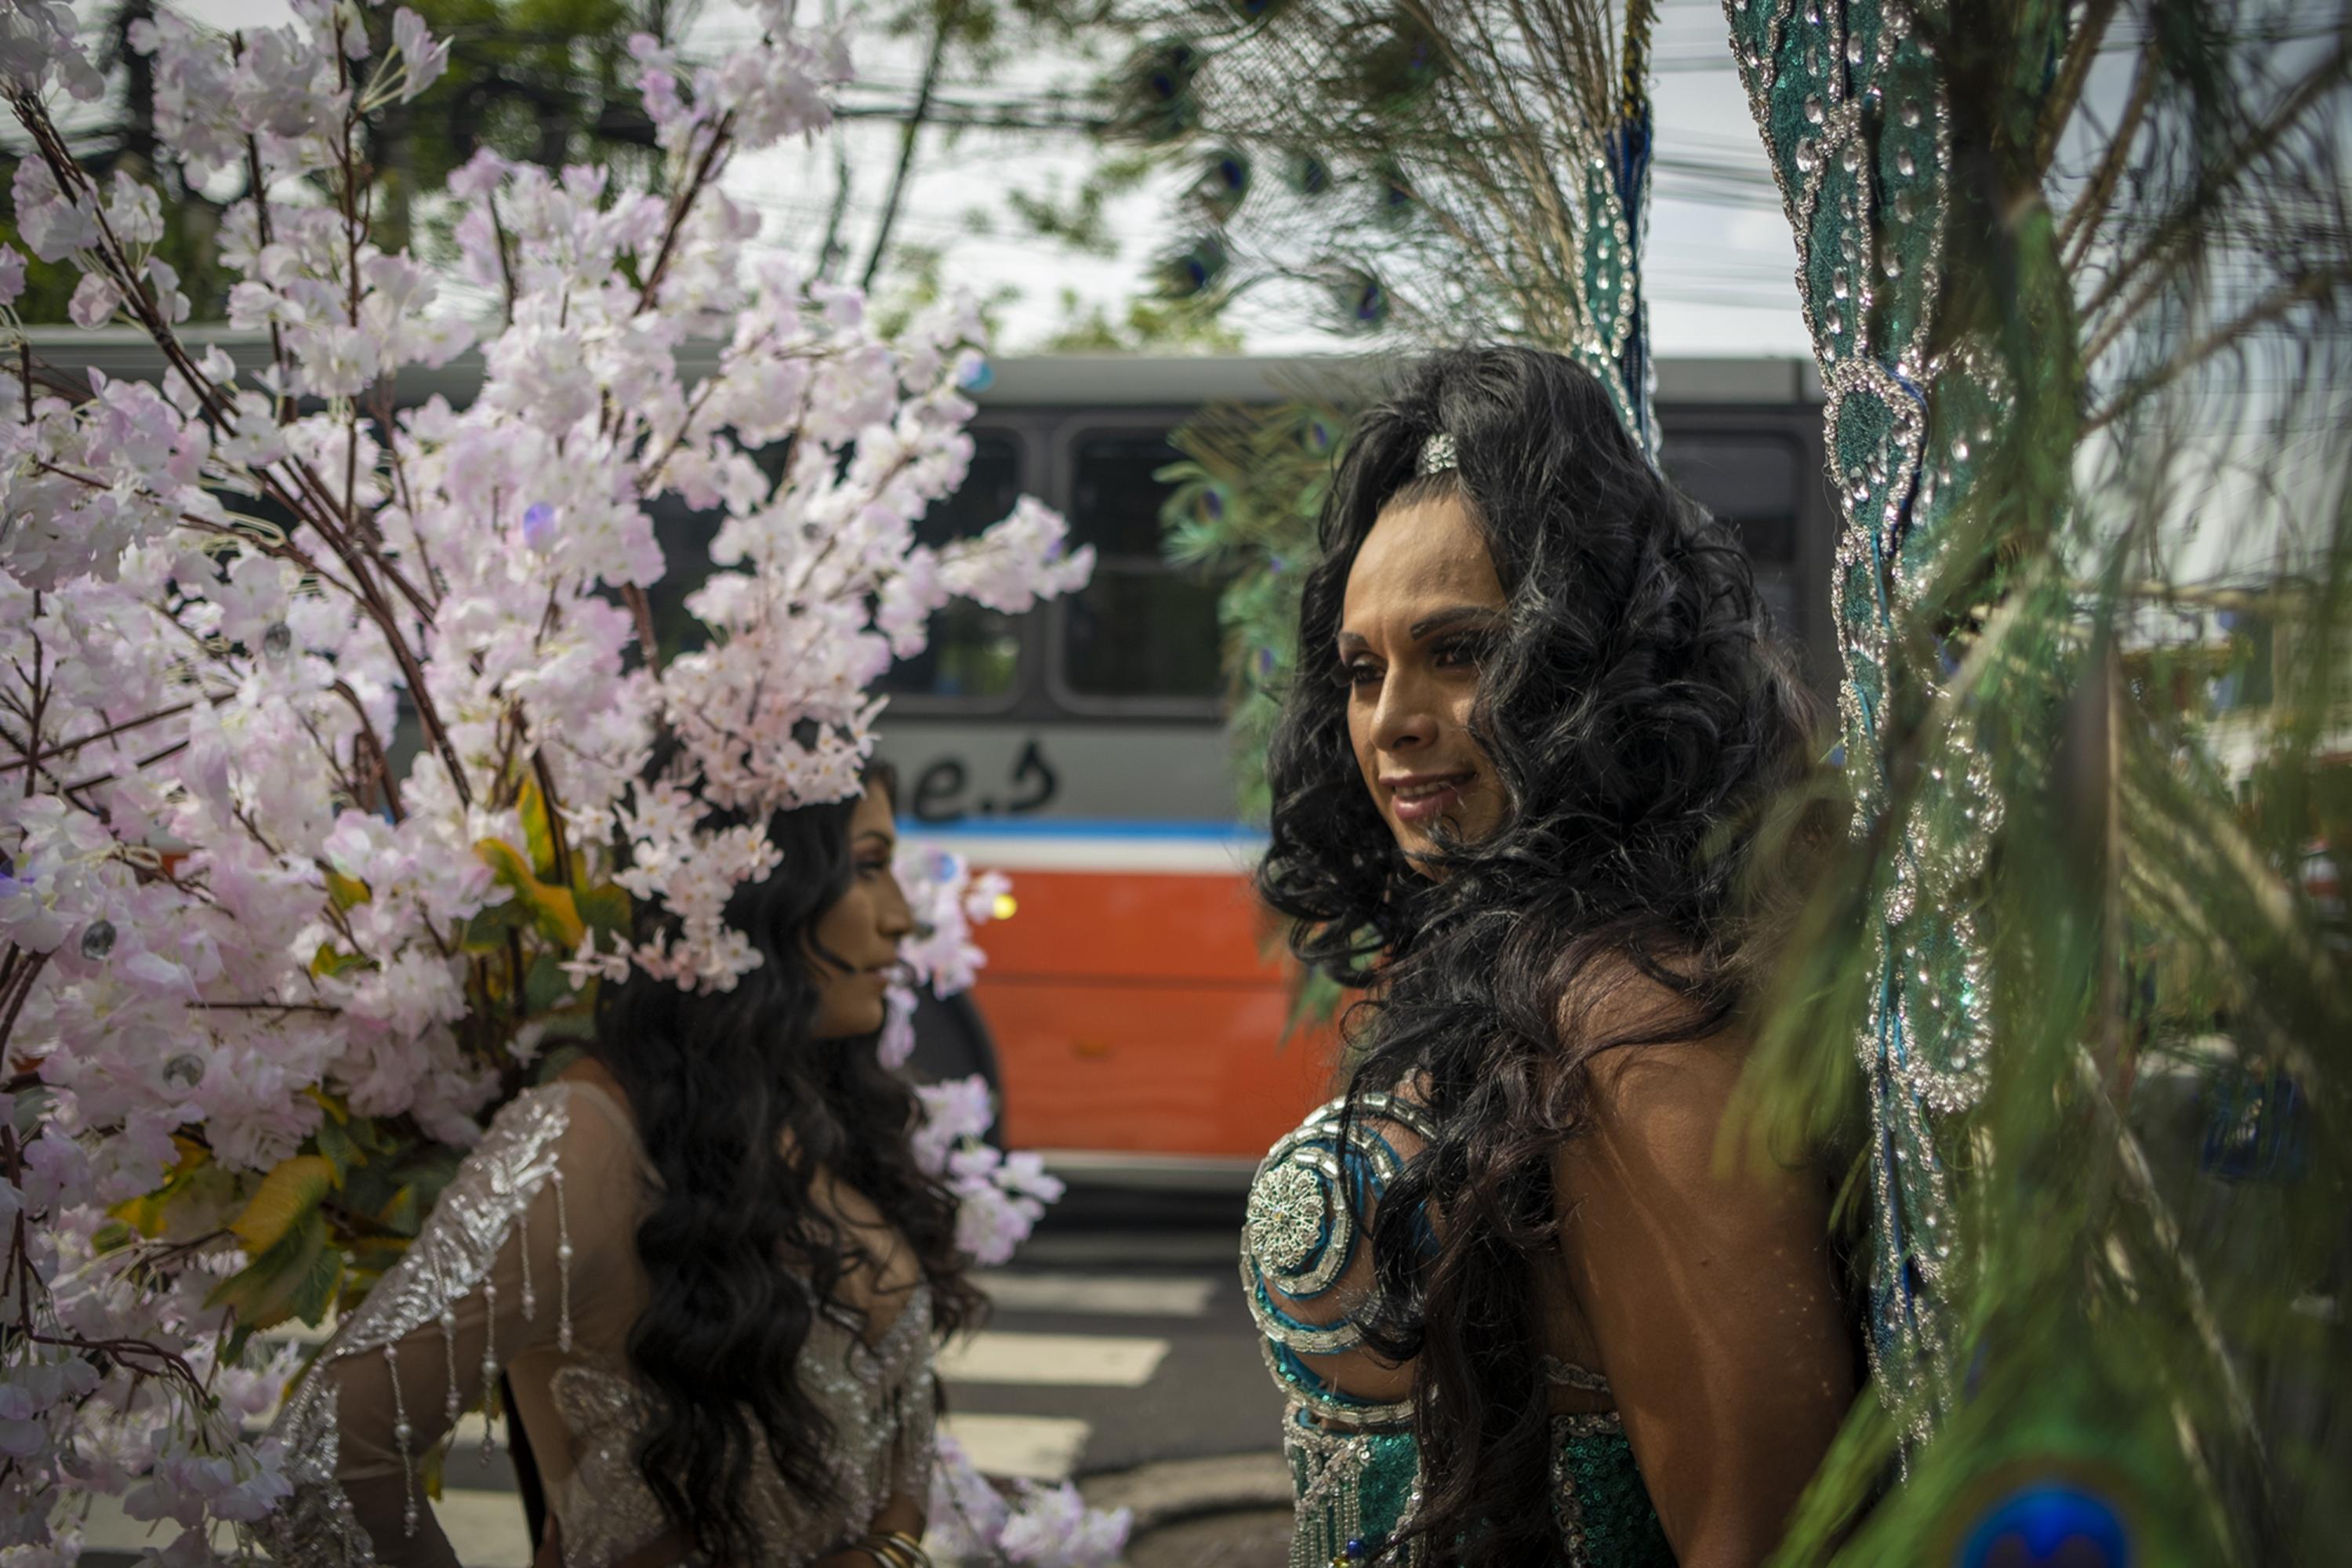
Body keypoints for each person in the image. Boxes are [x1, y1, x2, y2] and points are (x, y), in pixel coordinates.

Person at [1241, 347, 1857, 1567]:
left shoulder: (1631, 1022)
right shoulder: (1536, 971)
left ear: (1584, 662)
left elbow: (1762, 1535)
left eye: (1459, 652)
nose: (1391, 720)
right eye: (1363, 671)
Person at [261, 763, 980, 1567]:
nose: (904, 917)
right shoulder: (581, 1141)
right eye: (870, 866)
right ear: (756, 886)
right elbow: (323, 1457)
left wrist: (887, 1548)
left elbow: (897, 1455)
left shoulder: (822, 1111)